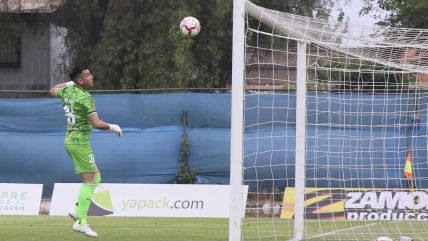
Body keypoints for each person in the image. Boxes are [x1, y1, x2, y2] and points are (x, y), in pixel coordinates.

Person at [50, 66, 122, 237]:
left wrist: (69, 82)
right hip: (80, 142)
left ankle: (76, 210)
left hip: (70, 141)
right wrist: (113, 127)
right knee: (89, 182)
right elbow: (96, 124)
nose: (92, 76)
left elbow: (53, 90)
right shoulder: (85, 97)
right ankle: (81, 222)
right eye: (88, 75)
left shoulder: (67, 91)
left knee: (96, 176)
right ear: (80, 81)